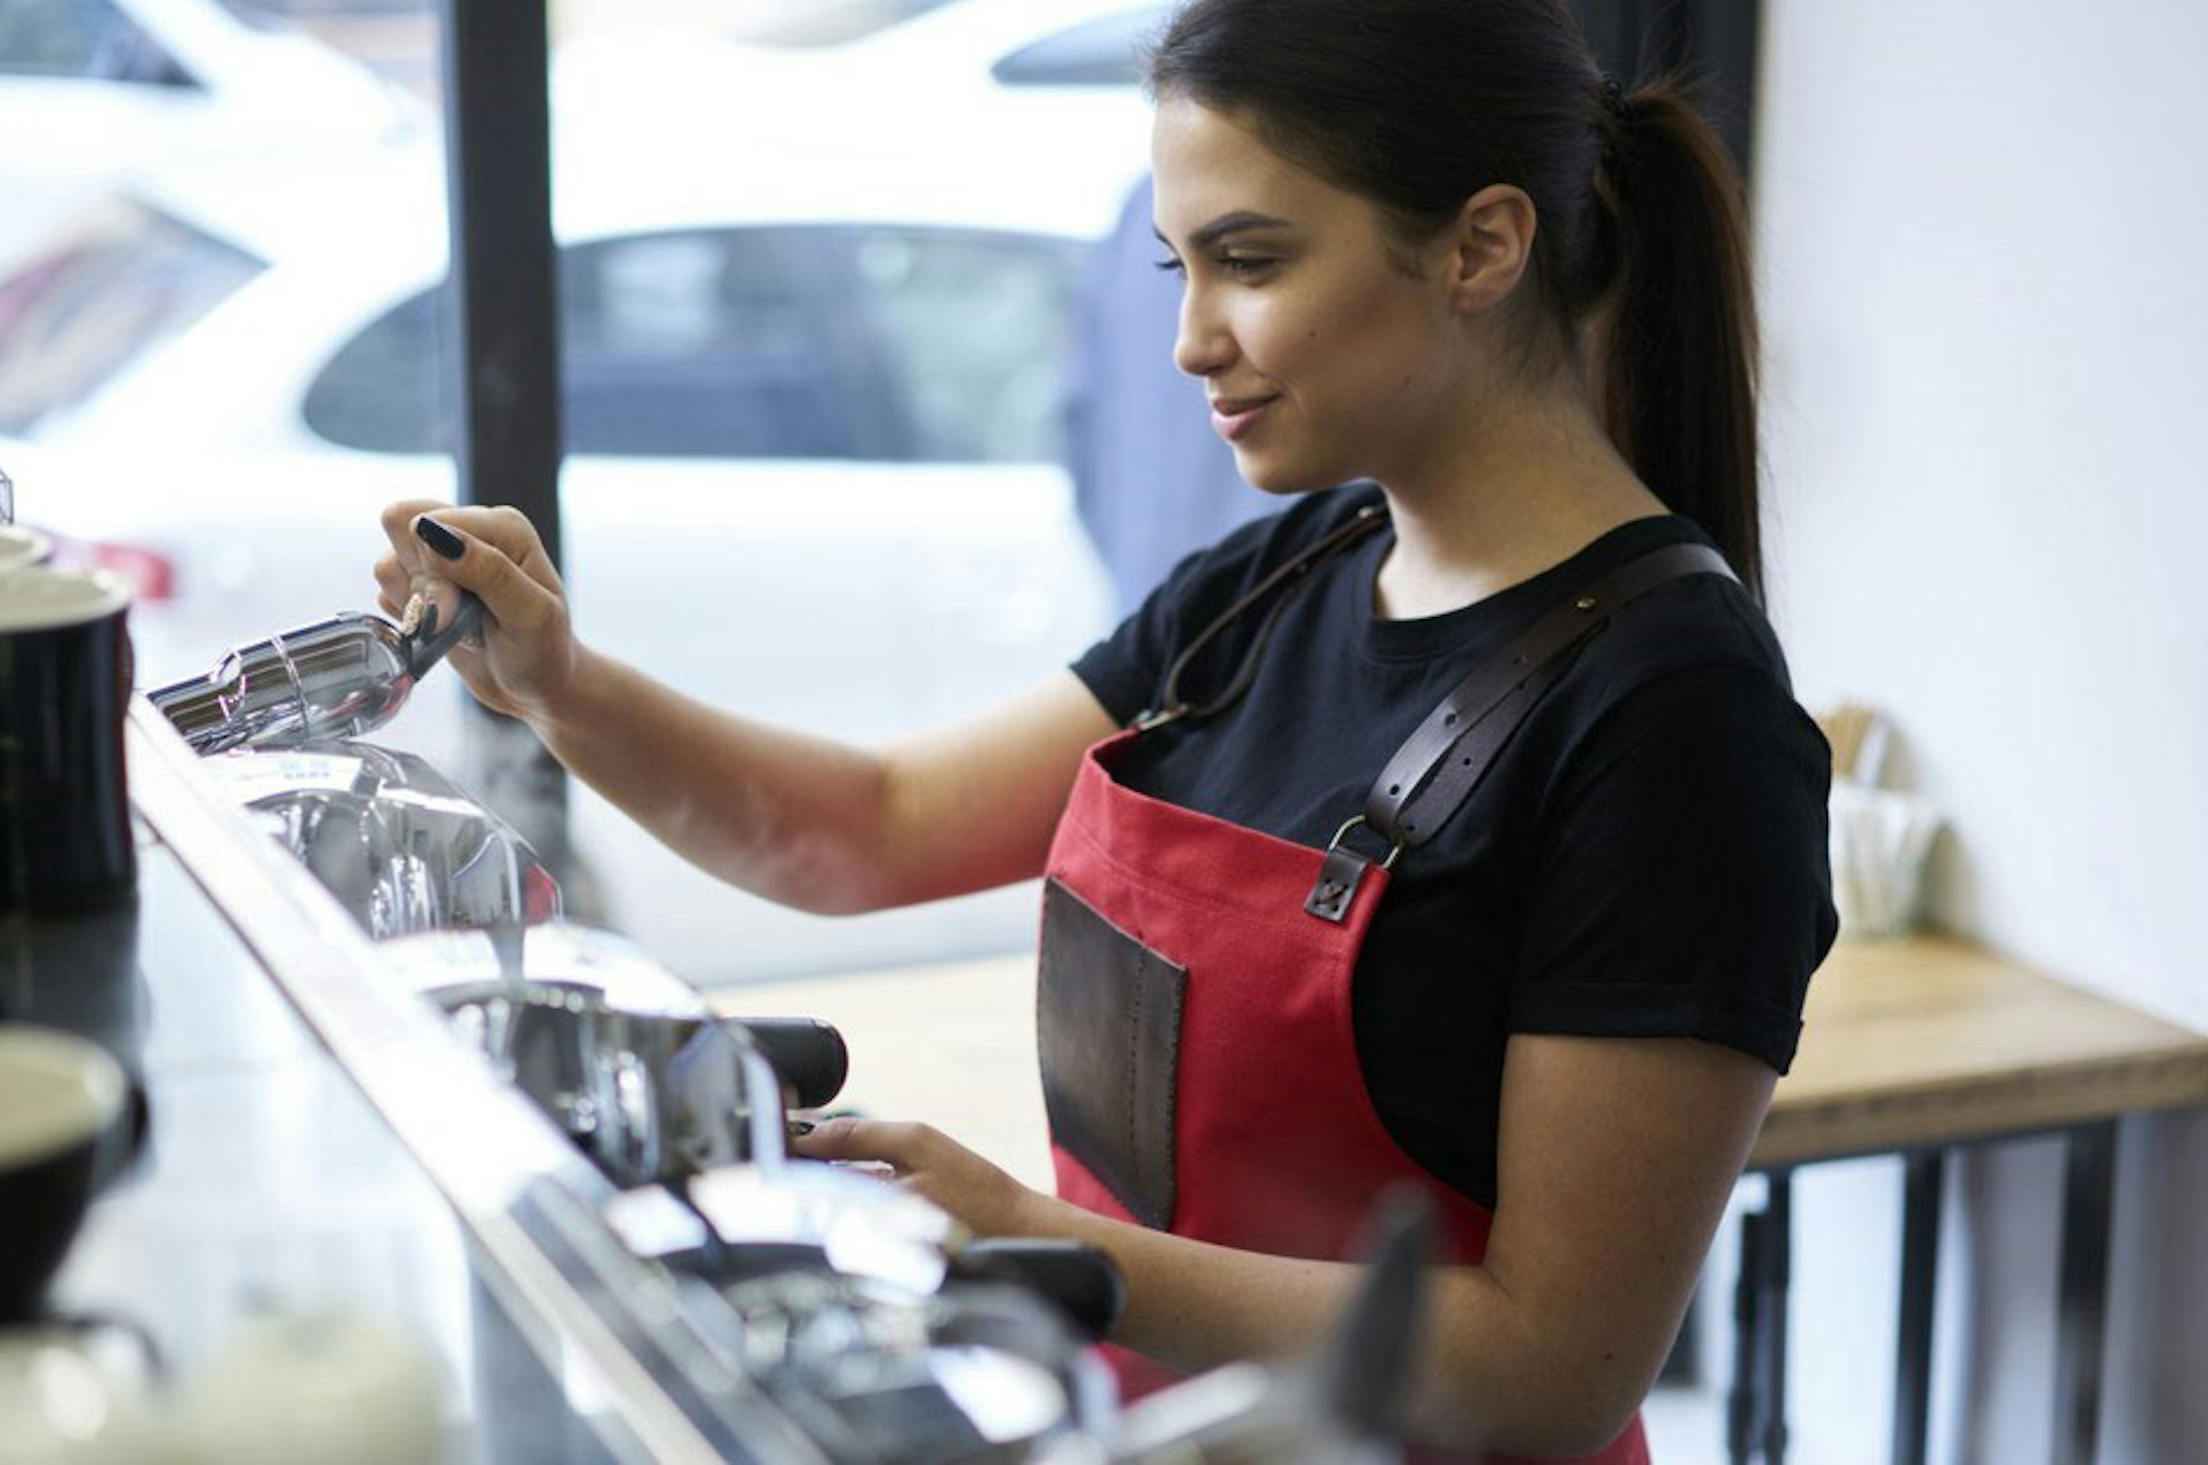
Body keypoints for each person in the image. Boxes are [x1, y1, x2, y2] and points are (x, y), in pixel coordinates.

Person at [371, 1, 1834, 1458]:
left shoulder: (1674, 716)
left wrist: (1036, 1240)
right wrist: (561, 683)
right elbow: (867, 828)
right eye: (1178, 265)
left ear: (1481, 246)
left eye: (1250, 262)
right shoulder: (1286, 575)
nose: (1192, 340)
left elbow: (1552, 1366)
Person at [1065, 174, 1273, 616]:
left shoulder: (1145, 203)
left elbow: (1080, 435)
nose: (1190, 351)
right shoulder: (1148, 204)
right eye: (1173, 268)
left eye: (1246, 263)